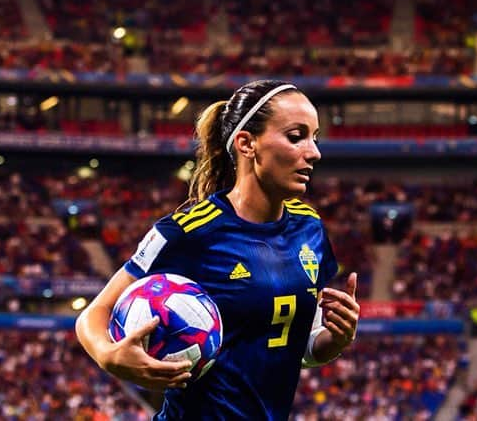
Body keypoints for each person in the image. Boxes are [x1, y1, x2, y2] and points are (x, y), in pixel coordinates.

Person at [76, 79, 361, 420]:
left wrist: (333, 341)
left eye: (315, 138)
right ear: (246, 143)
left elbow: (294, 346)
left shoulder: (309, 228)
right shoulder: (190, 231)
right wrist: (110, 355)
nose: (314, 152)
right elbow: (93, 315)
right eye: (296, 136)